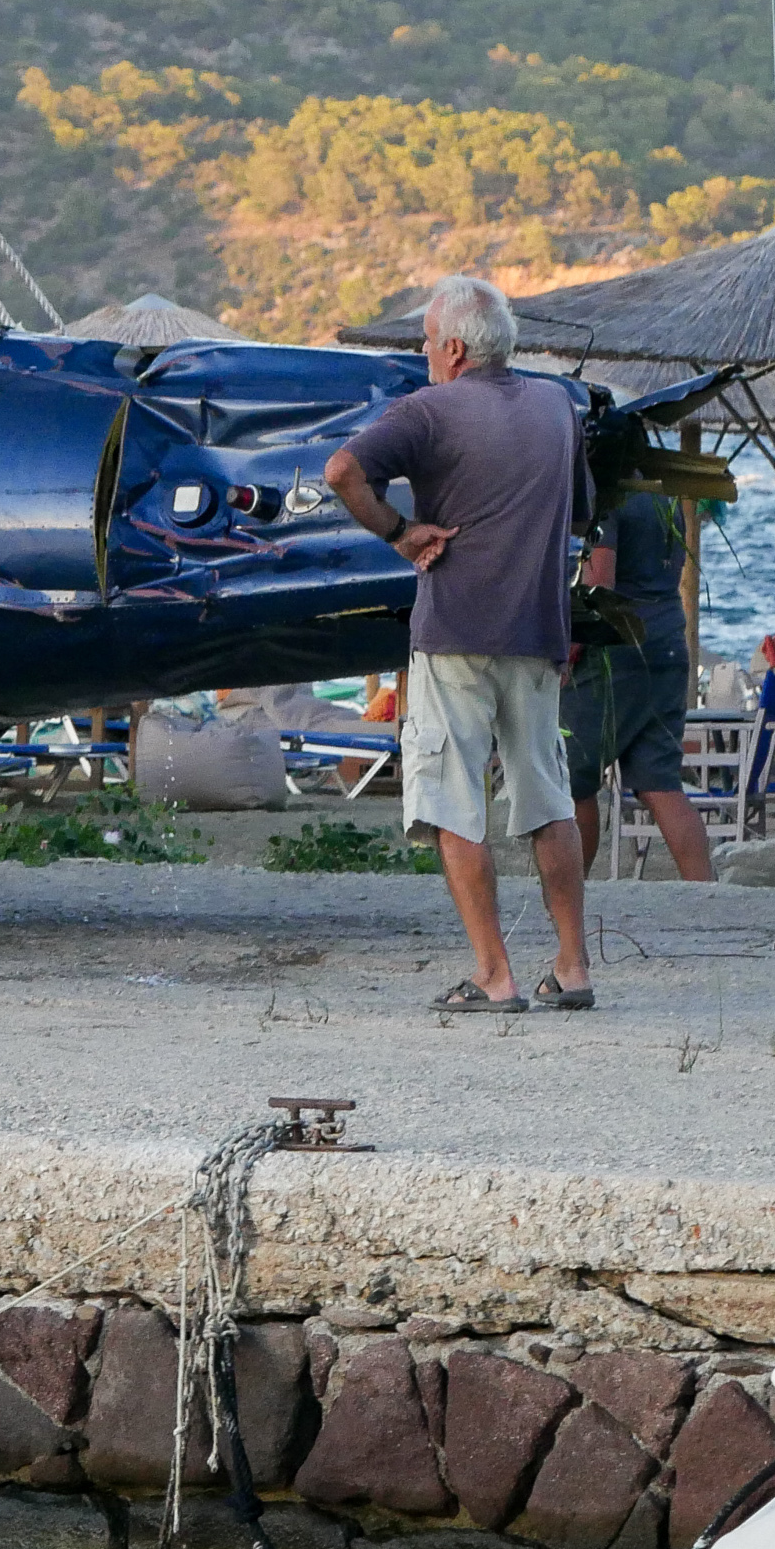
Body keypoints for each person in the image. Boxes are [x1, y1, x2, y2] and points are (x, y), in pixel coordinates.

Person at [326, 274, 597, 1011]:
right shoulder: (556, 405)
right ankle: (572, 968)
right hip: (540, 631)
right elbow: (580, 516)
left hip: (454, 632)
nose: (421, 353)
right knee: (548, 799)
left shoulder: (428, 410)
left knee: (454, 802)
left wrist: (399, 533)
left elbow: (343, 470)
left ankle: (494, 976)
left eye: (424, 342)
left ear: (451, 348)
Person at [565, 483, 715, 884]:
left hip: (617, 650)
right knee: (660, 782)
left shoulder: (605, 494)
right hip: (666, 642)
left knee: (573, 779)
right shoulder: (661, 493)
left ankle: (567, 894)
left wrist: (571, 644)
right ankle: (706, 892)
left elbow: (600, 582)